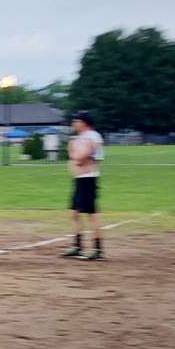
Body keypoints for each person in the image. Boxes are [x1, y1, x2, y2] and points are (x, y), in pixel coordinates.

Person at [63, 111, 105, 260]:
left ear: (84, 122)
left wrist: (71, 150)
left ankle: (98, 249)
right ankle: (77, 246)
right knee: (73, 213)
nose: (74, 124)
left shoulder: (91, 136)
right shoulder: (82, 137)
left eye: (76, 121)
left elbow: (80, 158)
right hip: (80, 179)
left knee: (91, 214)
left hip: (87, 179)